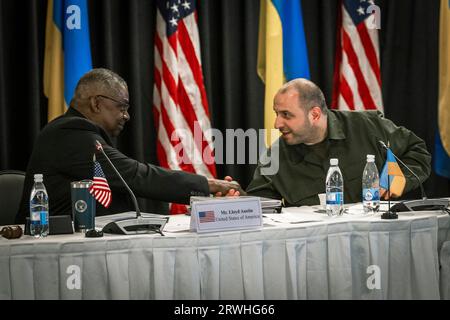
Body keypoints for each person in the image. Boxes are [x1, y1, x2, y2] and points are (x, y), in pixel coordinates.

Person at [16, 68, 243, 223]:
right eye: (122, 107)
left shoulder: (81, 133)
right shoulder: (70, 133)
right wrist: (210, 186)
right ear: (96, 103)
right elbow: (135, 176)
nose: (127, 116)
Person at [246, 78, 431, 206]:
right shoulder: (275, 155)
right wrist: (237, 198)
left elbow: (416, 150)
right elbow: (261, 204)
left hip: (377, 242)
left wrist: (398, 181)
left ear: (315, 114)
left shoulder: (367, 126)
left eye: (286, 115)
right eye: (277, 114)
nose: (277, 123)